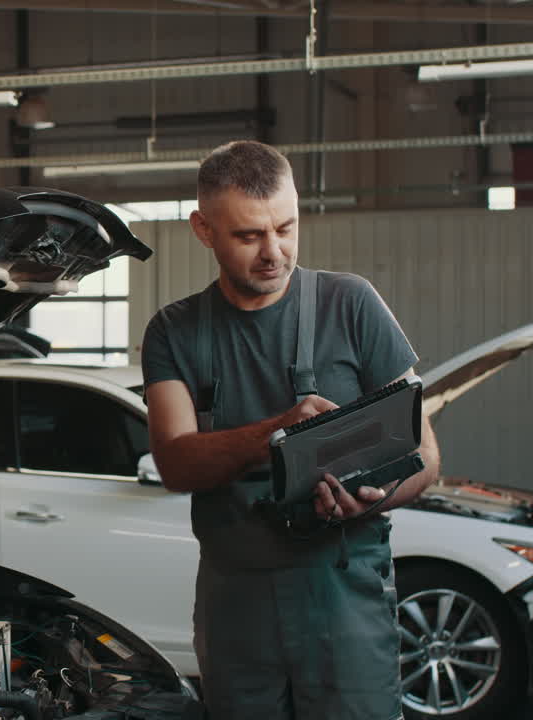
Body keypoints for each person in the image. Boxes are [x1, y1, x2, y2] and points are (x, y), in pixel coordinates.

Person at [141, 140, 440, 720]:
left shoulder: (351, 304)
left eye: (285, 227)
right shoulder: (173, 333)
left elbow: (426, 455)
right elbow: (175, 462)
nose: (273, 251)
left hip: (343, 593)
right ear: (203, 230)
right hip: (237, 607)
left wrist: (367, 502)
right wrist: (275, 433)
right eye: (248, 236)